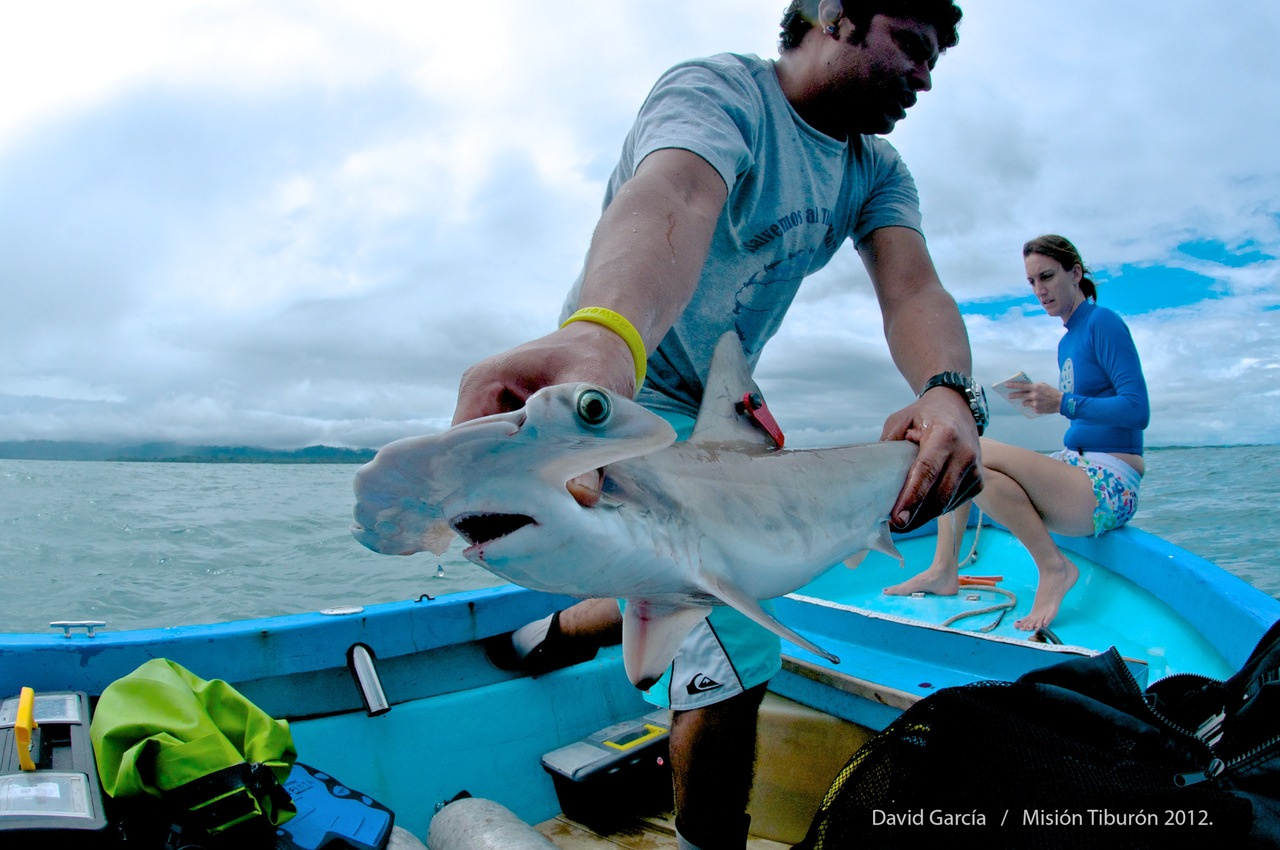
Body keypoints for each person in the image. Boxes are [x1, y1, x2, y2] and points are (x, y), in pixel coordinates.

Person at [454, 3, 976, 848]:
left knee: (701, 566)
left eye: (935, 59)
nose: (924, 76)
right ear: (834, 16)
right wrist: (607, 335)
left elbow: (912, 287)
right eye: (911, 46)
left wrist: (948, 390)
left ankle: (552, 633)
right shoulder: (720, 93)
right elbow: (677, 194)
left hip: (724, 400)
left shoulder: (875, 169)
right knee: (737, 638)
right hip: (626, 383)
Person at [885, 234, 1150, 633]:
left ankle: (1054, 567)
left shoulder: (1103, 323)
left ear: (1075, 273)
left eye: (1047, 276)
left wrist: (1062, 402)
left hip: (1109, 485)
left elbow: (1136, 409)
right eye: (1032, 281)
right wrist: (1049, 404)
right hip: (1076, 468)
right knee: (969, 466)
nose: (1040, 289)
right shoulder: (1067, 341)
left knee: (968, 445)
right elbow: (1088, 410)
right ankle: (943, 569)